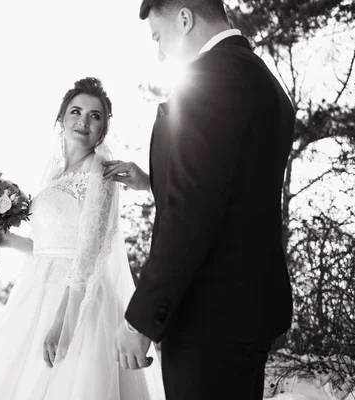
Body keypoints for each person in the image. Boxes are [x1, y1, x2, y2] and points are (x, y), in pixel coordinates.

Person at [106, 1, 295, 399]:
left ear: (185, 18)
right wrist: (157, 181)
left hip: (206, 318)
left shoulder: (208, 79)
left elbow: (190, 214)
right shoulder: (264, 80)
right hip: (248, 311)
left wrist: (140, 322)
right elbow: (231, 190)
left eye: (159, 37)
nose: (159, 52)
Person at [0, 77, 164, 400]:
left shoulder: (99, 169)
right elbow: (49, 247)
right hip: (37, 293)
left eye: (95, 116)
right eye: (76, 111)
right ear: (61, 119)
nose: (83, 121)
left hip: (76, 300)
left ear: (103, 130)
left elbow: (90, 248)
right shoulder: (56, 174)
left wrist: (65, 317)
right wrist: (6, 240)